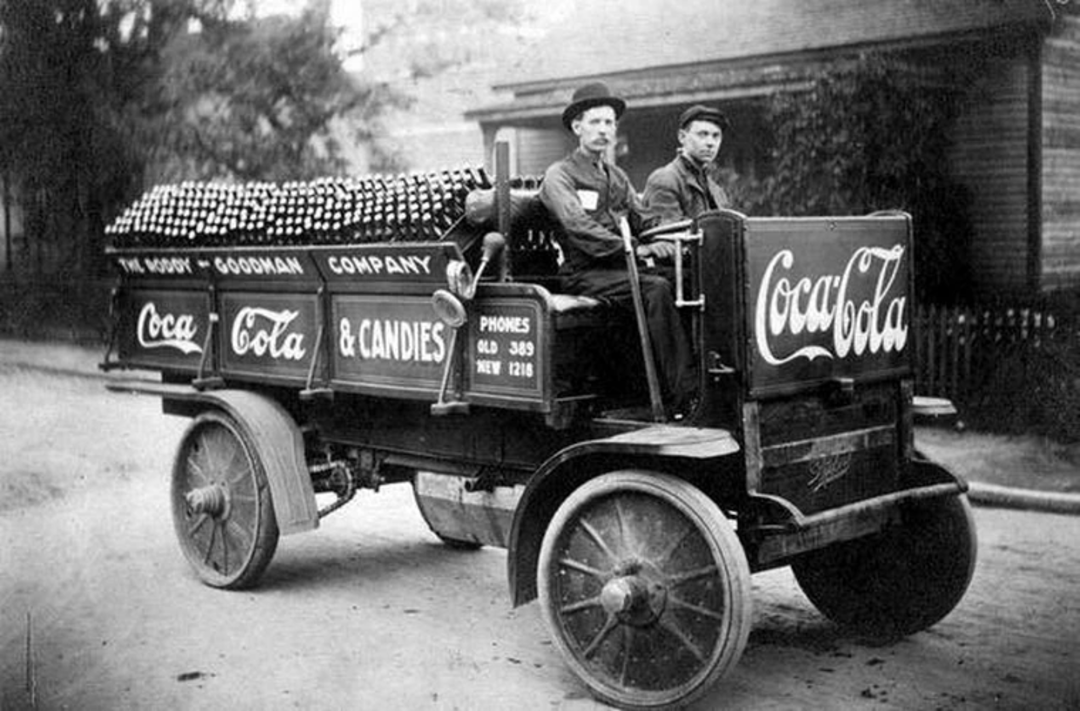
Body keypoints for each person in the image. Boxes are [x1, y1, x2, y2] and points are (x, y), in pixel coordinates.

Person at [539, 82, 696, 416]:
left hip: (621, 269)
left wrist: (671, 238)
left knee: (688, 278)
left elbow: (643, 219)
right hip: (585, 274)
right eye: (595, 122)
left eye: (609, 123)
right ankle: (685, 395)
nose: (604, 130)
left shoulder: (617, 177)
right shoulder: (560, 175)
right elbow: (578, 226)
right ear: (577, 127)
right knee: (656, 287)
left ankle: (707, 381)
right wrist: (635, 249)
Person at [643, 105, 731, 226]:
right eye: (702, 134)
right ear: (682, 137)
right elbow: (666, 232)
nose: (710, 143)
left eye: (716, 136)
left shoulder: (717, 191)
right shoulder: (665, 180)